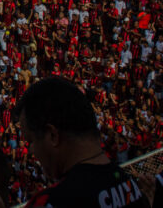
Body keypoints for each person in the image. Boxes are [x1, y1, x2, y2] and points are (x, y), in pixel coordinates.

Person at [14, 77, 150, 208]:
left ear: (52, 135)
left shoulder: (50, 202)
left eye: (31, 141)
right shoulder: (129, 184)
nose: (31, 150)